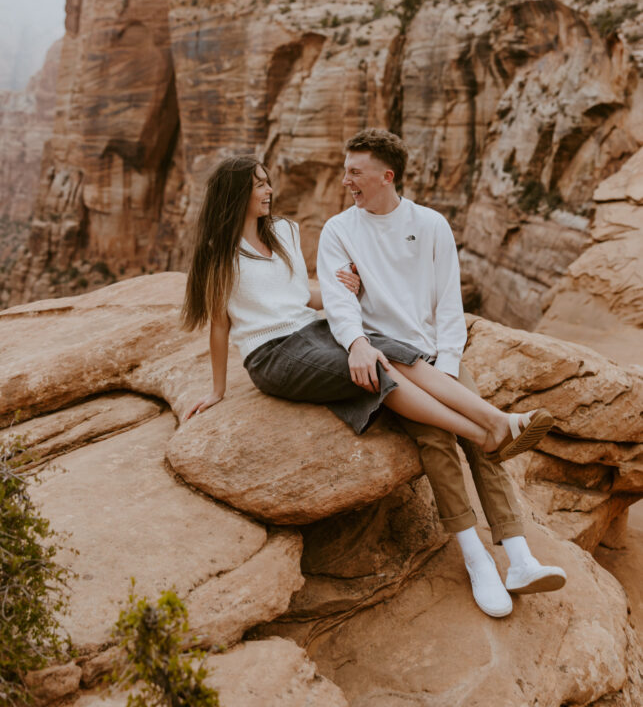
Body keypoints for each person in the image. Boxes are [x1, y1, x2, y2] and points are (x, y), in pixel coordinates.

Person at [181, 156, 555, 528]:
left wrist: (341, 293)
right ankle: (479, 434)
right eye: (259, 184)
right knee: (375, 370)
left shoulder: (283, 232)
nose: (269, 190)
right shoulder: (218, 253)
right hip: (273, 354)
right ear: (236, 193)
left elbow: (297, 298)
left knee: (392, 350)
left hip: (313, 329)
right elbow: (219, 325)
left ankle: (500, 421)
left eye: (267, 182)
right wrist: (218, 390)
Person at [316, 128, 567, 618]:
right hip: (389, 359)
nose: (346, 180)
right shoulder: (338, 230)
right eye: (346, 170)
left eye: (355, 172)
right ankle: (476, 559)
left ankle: (519, 557)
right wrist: (357, 342)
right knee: (437, 442)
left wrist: (449, 366)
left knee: (485, 443)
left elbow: (450, 305)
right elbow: (341, 304)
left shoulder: (430, 225)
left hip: (436, 357)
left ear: (387, 176)